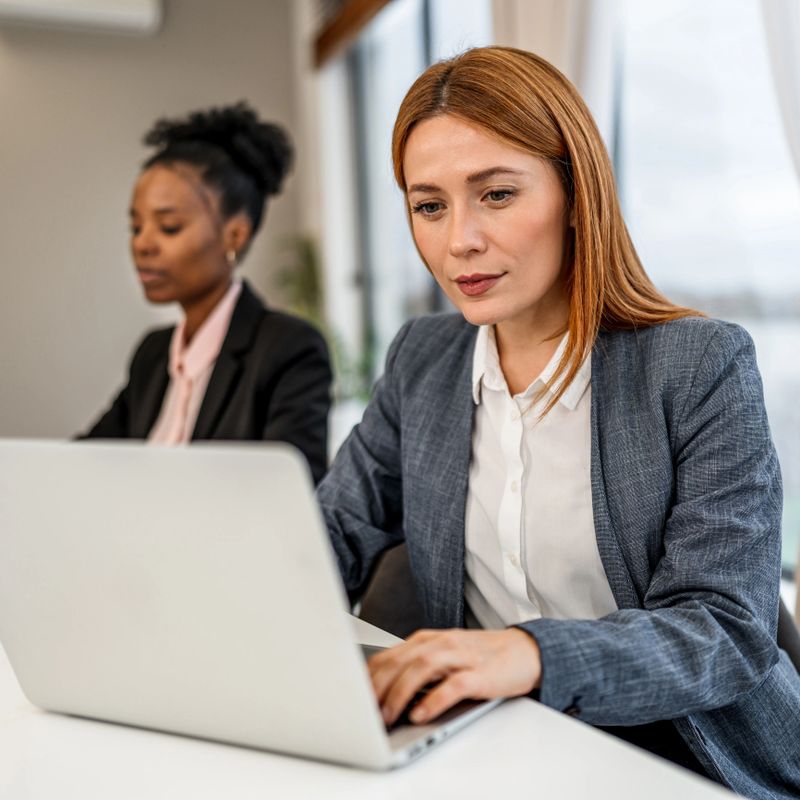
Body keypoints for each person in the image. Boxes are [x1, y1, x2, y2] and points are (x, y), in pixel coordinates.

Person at [316, 47, 800, 798]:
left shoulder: (698, 366)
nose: (459, 241)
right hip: (504, 748)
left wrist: (528, 654)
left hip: (687, 757)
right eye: (430, 205)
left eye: (497, 195)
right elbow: (335, 529)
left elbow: (726, 629)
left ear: (576, 194)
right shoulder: (425, 359)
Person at [79, 102, 331, 484]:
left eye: (169, 227)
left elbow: (290, 494)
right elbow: (82, 463)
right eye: (136, 227)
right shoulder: (153, 354)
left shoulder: (288, 349)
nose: (143, 244)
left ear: (235, 234)